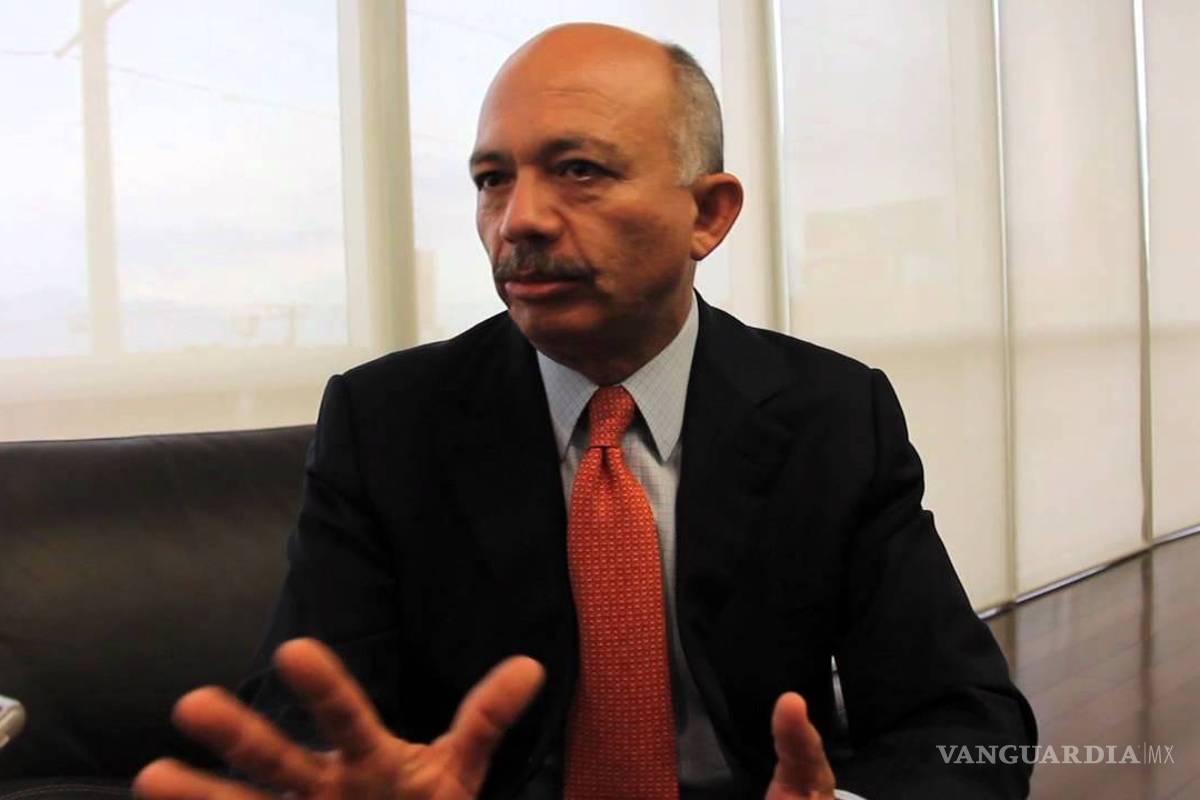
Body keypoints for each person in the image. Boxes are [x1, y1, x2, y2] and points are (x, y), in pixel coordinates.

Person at [134, 22, 1035, 800]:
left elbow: (967, 720)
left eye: (578, 170)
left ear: (708, 215)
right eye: (493, 178)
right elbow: (309, 710)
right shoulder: (386, 422)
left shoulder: (833, 414)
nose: (518, 219)